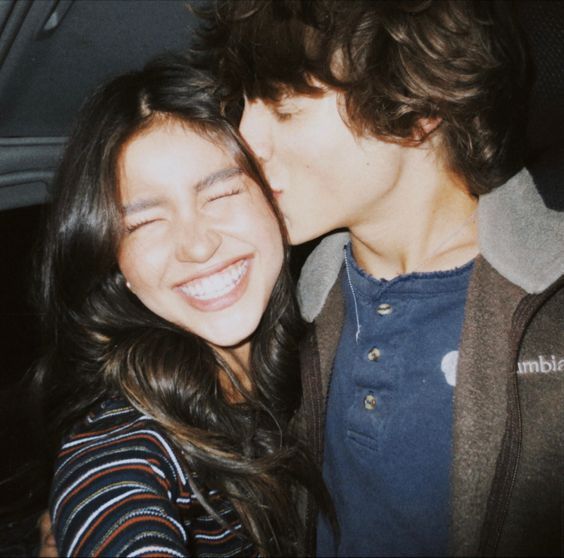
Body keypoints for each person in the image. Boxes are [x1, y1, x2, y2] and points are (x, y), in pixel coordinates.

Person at [195, 1, 564, 556]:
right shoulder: (281, 302)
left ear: (419, 106)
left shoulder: (550, 314)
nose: (243, 141)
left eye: (284, 106)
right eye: (243, 104)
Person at [32, 53, 330, 557]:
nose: (196, 246)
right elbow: (112, 496)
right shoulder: (121, 441)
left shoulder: (335, 335)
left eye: (221, 193)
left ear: (273, 200)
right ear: (113, 262)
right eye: (144, 222)